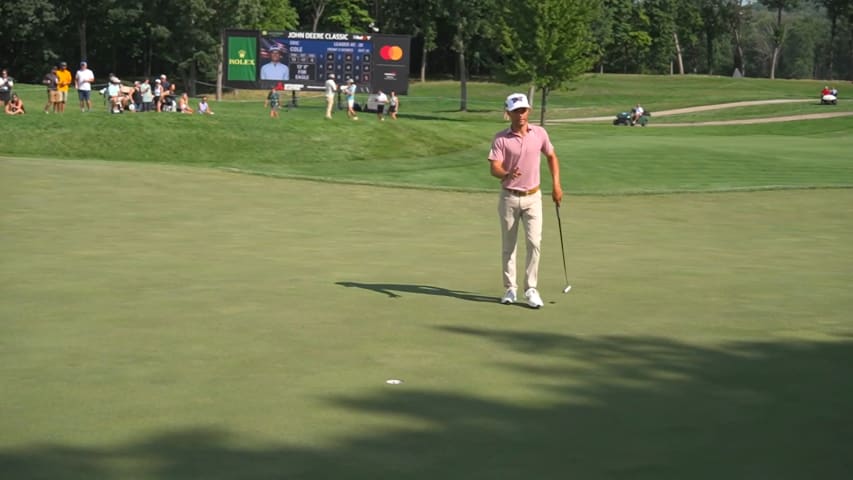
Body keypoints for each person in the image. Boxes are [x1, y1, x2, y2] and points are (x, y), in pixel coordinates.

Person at [488, 93, 563, 309]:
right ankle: (510, 288)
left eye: (524, 110)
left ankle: (531, 289)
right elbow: (494, 167)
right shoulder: (501, 138)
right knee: (509, 246)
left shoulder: (539, 133)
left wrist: (556, 185)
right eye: (516, 111)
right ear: (508, 113)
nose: (521, 115)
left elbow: (551, 156)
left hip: (533, 197)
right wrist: (505, 174)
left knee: (534, 243)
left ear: (528, 111)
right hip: (509, 197)